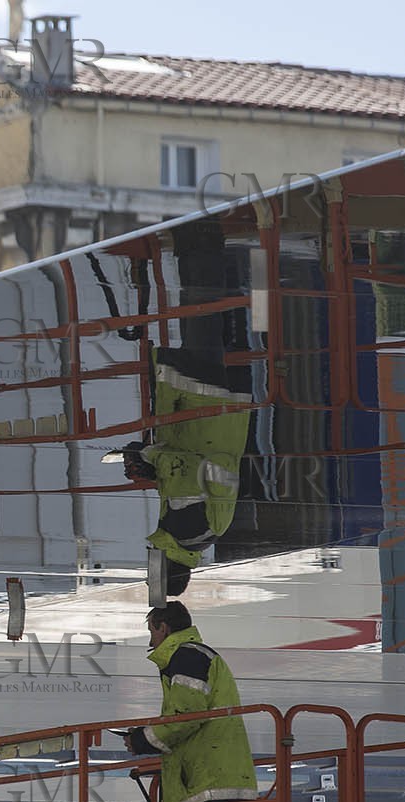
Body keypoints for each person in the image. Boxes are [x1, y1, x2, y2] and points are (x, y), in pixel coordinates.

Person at [119, 219, 252, 595]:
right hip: (202, 408)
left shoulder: (202, 535)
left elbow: (195, 474)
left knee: (206, 318)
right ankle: (199, 240)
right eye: (151, 570)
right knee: (199, 314)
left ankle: (202, 243)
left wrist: (152, 467)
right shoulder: (185, 529)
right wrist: (148, 457)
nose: (148, 562)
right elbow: (186, 466)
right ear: (165, 567)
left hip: (215, 415)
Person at [126, 601, 257, 802]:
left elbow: (186, 718)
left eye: (151, 633)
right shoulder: (192, 657)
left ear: (163, 628)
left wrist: (142, 740)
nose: (150, 642)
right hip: (206, 778)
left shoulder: (186, 657)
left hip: (208, 779)